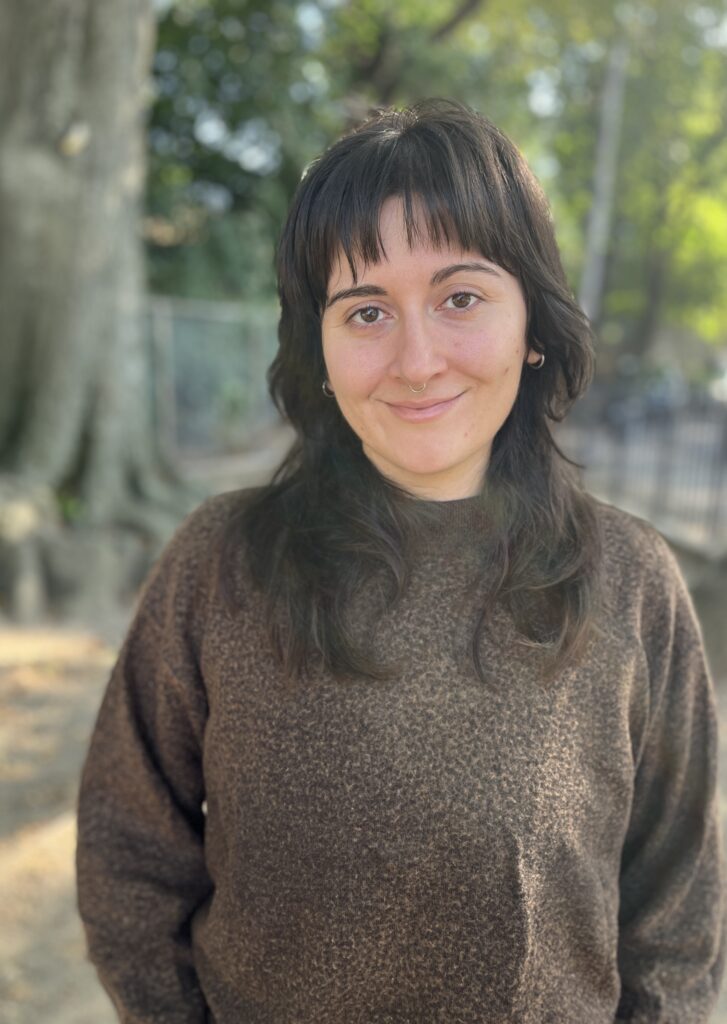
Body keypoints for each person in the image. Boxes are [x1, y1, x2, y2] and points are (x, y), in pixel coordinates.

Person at [75, 98, 725, 1023]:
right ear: (319, 346)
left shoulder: (631, 579)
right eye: (366, 311)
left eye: (460, 298)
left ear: (532, 326)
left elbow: (678, 915)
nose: (416, 361)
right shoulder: (219, 565)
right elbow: (129, 857)